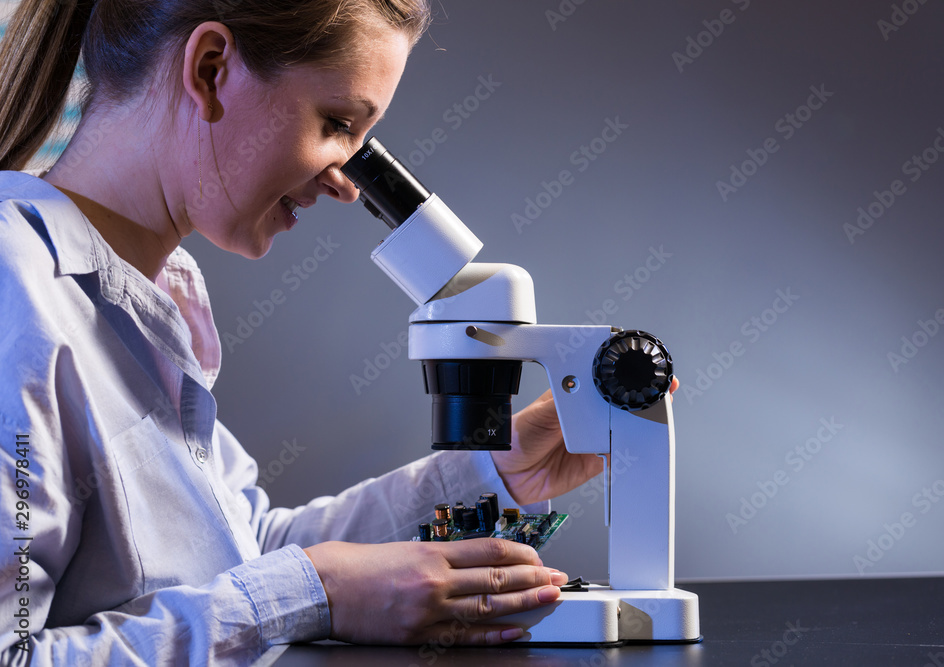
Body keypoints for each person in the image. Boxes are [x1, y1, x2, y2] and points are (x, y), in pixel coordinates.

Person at [0, 0, 678, 663]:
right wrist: (312, 591)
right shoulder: (18, 297)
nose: (349, 181)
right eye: (336, 122)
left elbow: (243, 552)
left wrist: (487, 470)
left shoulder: (154, 300)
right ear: (209, 70)